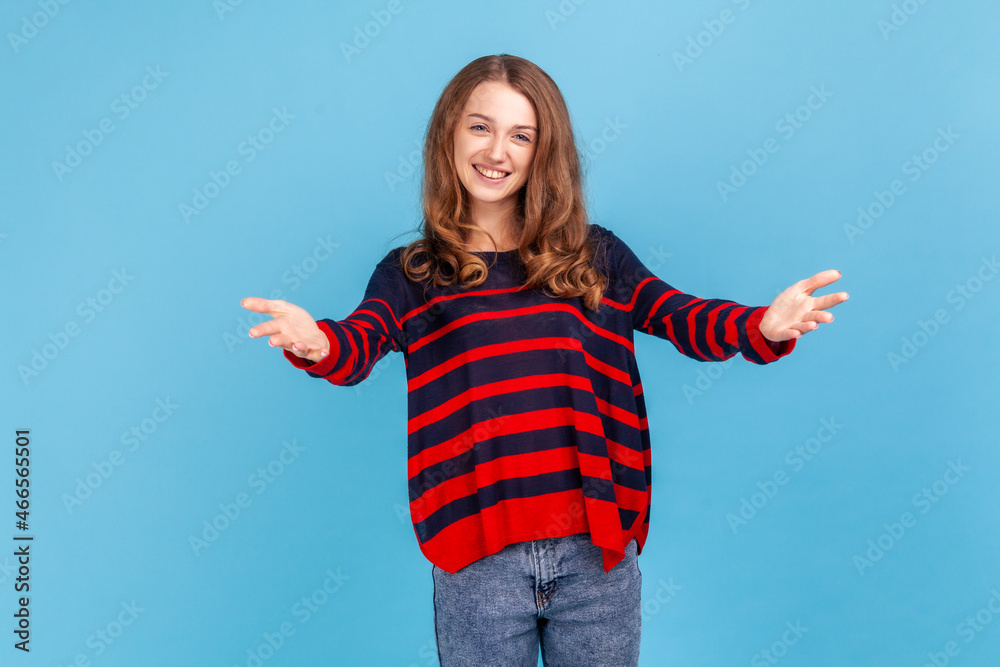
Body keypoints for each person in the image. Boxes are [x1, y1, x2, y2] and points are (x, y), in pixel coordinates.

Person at [241, 54, 848, 667]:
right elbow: (359, 341)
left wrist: (758, 326)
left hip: (596, 554)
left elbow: (680, 315)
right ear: (449, 134)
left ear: (543, 151)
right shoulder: (414, 274)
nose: (496, 151)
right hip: (476, 559)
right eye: (480, 127)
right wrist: (319, 343)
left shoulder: (595, 256)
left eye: (520, 135)